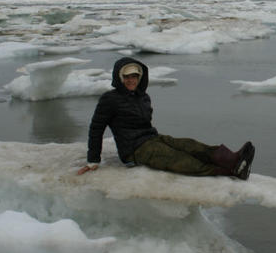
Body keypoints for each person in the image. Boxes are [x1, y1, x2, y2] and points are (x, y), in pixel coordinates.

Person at [78, 57, 255, 179]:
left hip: (151, 138)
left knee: (188, 145)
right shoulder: (110, 99)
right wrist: (93, 160)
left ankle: (232, 159)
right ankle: (227, 171)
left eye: (135, 76)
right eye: (127, 76)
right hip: (134, 151)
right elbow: (96, 129)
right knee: (178, 159)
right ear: (119, 77)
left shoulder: (142, 97)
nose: (131, 80)